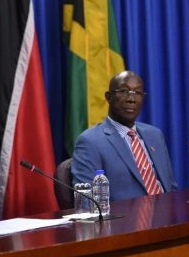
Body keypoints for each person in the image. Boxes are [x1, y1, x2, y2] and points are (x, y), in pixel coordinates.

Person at [71, 70, 177, 201]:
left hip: (169, 214)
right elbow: (87, 202)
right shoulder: (90, 141)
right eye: (124, 91)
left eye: (137, 93)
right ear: (108, 97)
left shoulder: (155, 135)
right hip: (128, 219)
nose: (131, 99)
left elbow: (171, 187)